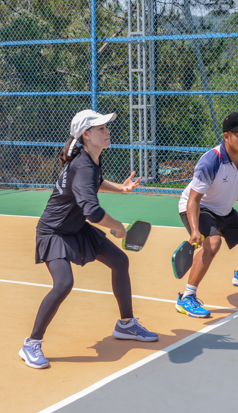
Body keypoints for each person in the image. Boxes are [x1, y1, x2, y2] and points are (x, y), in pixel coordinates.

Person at [19, 110, 158, 369]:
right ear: (86, 135)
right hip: (54, 232)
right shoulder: (83, 165)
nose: (107, 131)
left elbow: (96, 181)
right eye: (101, 128)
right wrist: (117, 227)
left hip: (74, 228)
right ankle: (31, 343)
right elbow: (92, 212)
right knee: (64, 283)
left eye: (106, 127)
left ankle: (126, 324)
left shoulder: (90, 159)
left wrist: (120, 188)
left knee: (120, 261)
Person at [175, 112, 238, 319]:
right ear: (226, 136)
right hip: (199, 207)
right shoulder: (211, 161)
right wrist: (195, 230)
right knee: (212, 243)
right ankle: (186, 298)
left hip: (224, 209)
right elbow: (193, 199)